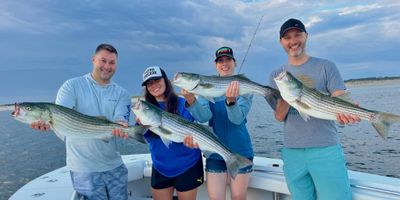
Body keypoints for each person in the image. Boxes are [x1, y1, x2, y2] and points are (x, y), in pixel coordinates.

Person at [269, 18, 361, 200]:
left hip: (325, 148)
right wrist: (288, 96)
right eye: (287, 37)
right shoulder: (275, 75)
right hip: (292, 151)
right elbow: (279, 116)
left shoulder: (326, 66)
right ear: (281, 42)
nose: (293, 41)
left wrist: (348, 113)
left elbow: (339, 97)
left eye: (297, 35)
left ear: (306, 36)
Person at [30, 43, 131, 200]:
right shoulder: (72, 86)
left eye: (112, 62)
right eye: (103, 60)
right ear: (93, 60)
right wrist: (46, 123)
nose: (107, 66)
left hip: (114, 165)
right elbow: (59, 116)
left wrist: (123, 127)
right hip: (84, 169)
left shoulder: (122, 93)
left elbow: (121, 119)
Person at [182, 47, 254, 200]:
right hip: (214, 150)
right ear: (216, 65)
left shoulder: (245, 87)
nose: (224, 63)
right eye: (220, 61)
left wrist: (231, 101)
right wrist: (191, 100)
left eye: (228, 59)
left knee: (239, 197)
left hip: (241, 149)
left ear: (234, 62)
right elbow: (204, 117)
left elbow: (237, 119)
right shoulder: (207, 85)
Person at [131, 66, 204, 200]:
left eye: (157, 80)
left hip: (187, 165)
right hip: (160, 166)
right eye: (149, 83)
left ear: (166, 81)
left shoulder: (183, 104)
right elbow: (142, 137)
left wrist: (192, 142)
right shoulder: (144, 110)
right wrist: (139, 127)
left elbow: (193, 130)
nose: (154, 85)